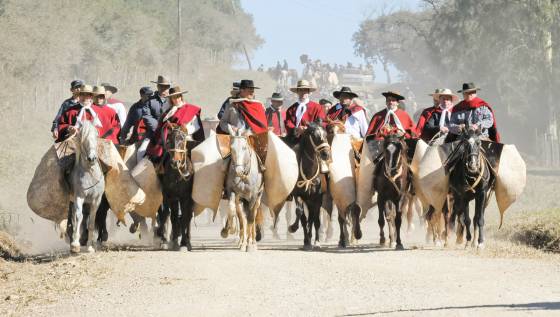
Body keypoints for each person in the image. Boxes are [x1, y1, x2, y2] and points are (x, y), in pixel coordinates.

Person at [146, 86, 205, 163]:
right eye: (174, 97)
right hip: (170, 138)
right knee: (155, 153)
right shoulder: (169, 111)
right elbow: (161, 125)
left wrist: (185, 130)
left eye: (178, 97)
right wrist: (167, 127)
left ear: (181, 97)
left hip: (185, 138)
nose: (176, 99)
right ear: (171, 99)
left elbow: (196, 126)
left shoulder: (190, 109)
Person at [284, 79, 326, 146]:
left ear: (308, 92)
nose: (303, 92)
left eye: (305, 90)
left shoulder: (317, 107)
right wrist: (297, 129)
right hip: (294, 140)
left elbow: (322, 122)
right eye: (301, 90)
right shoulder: (291, 109)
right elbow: (288, 123)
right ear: (297, 92)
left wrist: (308, 128)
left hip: (312, 140)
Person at [120, 87, 154, 161]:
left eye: (151, 95)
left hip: (152, 138)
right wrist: (123, 138)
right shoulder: (135, 108)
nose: (150, 97)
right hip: (137, 139)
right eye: (147, 95)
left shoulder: (154, 105)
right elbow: (127, 125)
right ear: (141, 95)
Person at [143, 75, 171, 142]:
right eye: (161, 86)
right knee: (141, 151)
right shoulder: (149, 100)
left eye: (166, 87)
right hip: (153, 133)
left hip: (170, 133)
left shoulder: (173, 100)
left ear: (169, 87)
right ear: (157, 86)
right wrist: (158, 128)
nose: (164, 89)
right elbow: (147, 116)